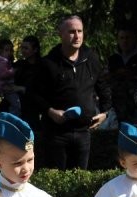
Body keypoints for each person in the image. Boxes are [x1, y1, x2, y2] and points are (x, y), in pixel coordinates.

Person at [29, 15, 111, 170]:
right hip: (56, 134)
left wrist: (105, 113)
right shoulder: (48, 63)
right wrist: (50, 111)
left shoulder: (91, 59)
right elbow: (33, 94)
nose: (77, 36)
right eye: (72, 31)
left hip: (83, 132)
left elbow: (103, 88)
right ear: (61, 34)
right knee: (57, 178)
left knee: (80, 178)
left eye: (80, 31)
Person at [106, 28, 137, 124]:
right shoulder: (113, 60)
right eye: (122, 38)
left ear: (134, 39)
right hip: (117, 107)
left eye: (127, 38)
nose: (125, 41)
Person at [13, 36, 43, 133]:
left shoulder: (42, 67)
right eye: (22, 48)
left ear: (35, 50)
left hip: (33, 109)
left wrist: (22, 89)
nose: (23, 51)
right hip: (18, 107)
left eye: (26, 48)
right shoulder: (19, 65)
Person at [0, 38, 20, 114]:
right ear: (0, 51)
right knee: (16, 104)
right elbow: (3, 74)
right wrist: (13, 71)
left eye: (11, 50)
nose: (9, 53)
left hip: (1, 86)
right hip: (5, 86)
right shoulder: (2, 62)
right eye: (6, 50)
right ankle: (13, 117)